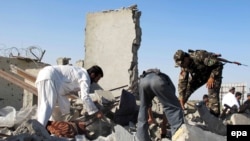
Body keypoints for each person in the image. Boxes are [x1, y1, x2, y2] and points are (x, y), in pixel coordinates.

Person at [35, 65, 104, 126]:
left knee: (53, 109)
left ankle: (48, 128)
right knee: (47, 106)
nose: (97, 81)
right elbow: (85, 96)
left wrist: (91, 103)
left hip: (46, 76)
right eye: (98, 78)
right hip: (50, 78)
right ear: (93, 74)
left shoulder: (81, 73)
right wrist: (96, 112)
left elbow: (81, 95)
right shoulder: (85, 78)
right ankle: (39, 131)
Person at [136, 68, 184, 141]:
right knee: (174, 109)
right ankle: (179, 138)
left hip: (143, 81)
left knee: (143, 108)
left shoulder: (148, 78)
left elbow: (147, 104)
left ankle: (141, 139)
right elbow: (169, 108)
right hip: (158, 81)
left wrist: (151, 118)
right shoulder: (167, 81)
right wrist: (164, 126)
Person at [174, 49, 224, 117]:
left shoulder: (199, 56)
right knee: (185, 92)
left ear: (186, 58)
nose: (181, 66)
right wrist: (181, 97)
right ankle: (176, 114)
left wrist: (212, 77)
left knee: (212, 90)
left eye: (182, 63)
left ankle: (215, 116)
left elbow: (218, 64)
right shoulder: (184, 66)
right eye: (180, 65)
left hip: (213, 73)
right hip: (200, 76)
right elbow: (182, 82)